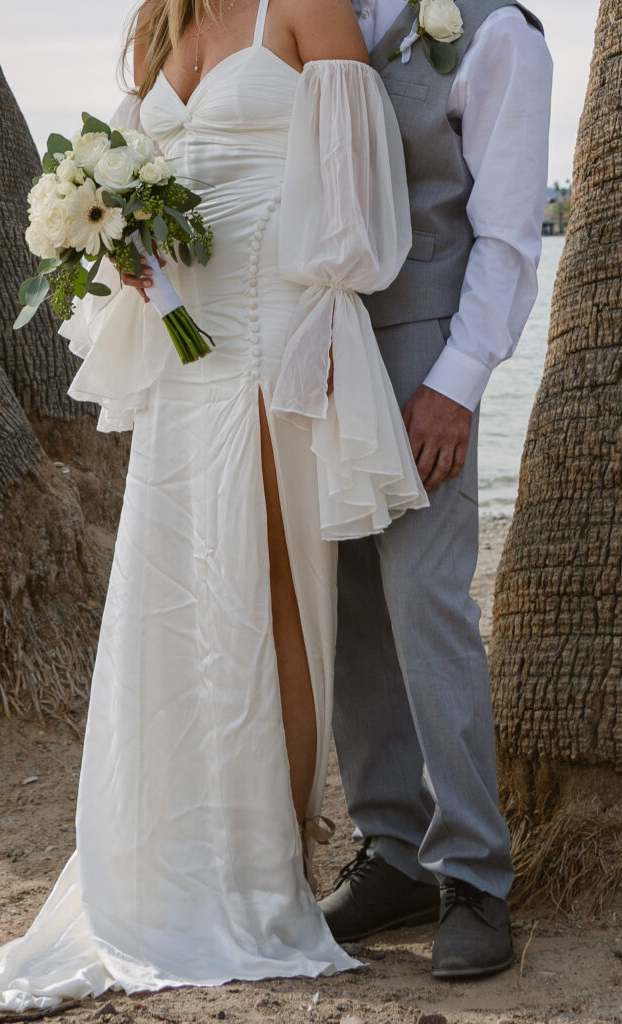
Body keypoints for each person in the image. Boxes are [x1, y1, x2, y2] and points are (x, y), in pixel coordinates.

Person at [0, 0, 427, 1012]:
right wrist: (109, 242)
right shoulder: (154, 30)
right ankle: (173, 859)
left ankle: (277, 867)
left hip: (272, 327)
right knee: (179, 598)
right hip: (183, 345)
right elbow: (127, 176)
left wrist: (321, 317)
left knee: (277, 592)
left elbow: (353, 185)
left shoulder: (307, 8)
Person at [319, 0, 553, 980]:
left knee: (424, 605)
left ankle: (473, 875)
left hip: (423, 350)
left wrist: (454, 386)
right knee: (355, 613)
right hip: (319, 346)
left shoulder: (496, 29)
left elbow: (505, 235)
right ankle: (393, 850)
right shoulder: (316, 13)